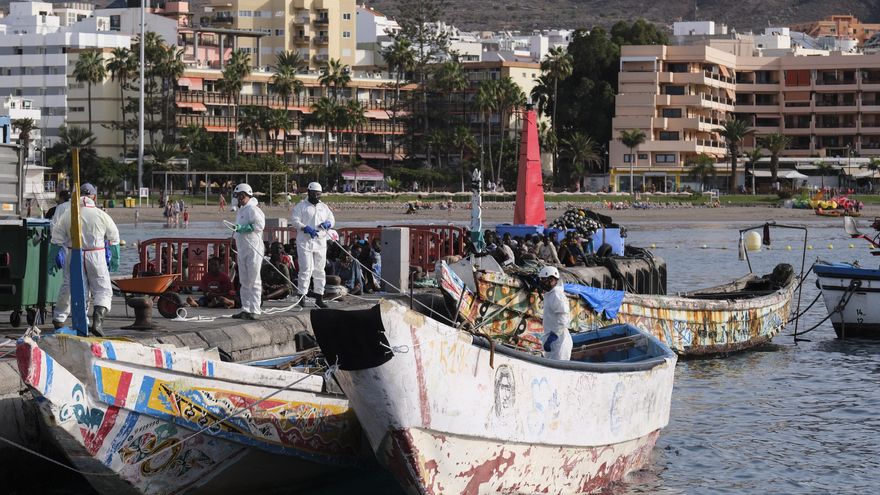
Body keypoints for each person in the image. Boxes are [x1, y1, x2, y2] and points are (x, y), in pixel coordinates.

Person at [50, 183, 120, 335]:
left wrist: (53, 257)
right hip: (96, 254)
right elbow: (114, 238)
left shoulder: (67, 213)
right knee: (102, 290)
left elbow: (56, 237)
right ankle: (97, 322)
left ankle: (62, 319)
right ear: (93, 197)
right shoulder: (101, 214)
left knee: (73, 287)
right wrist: (115, 258)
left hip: (73, 253)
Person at [290, 182, 335, 308]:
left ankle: (319, 297)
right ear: (309, 193)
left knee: (319, 270)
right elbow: (294, 220)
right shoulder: (301, 206)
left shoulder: (324, 207)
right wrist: (305, 227)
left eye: (319, 194)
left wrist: (328, 224)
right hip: (305, 241)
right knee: (306, 269)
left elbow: (332, 219)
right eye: (314, 194)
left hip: (320, 241)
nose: (316, 196)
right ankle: (302, 296)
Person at [231, 183, 266, 320]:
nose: (240, 198)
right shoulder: (242, 210)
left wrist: (244, 228)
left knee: (254, 279)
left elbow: (260, 225)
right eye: (238, 196)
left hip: (253, 248)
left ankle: (255, 309)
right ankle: (245, 308)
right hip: (242, 248)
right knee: (244, 280)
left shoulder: (253, 209)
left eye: (242, 195)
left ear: (248, 195)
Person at [538, 266, 572, 361]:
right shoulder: (550, 294)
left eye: (544, 280)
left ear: (552, 280)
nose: (543, 283)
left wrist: (554, 335)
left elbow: (564, 316)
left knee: (558, 365)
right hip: (553, 340)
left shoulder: (556, 294)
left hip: (559, 341)